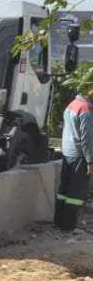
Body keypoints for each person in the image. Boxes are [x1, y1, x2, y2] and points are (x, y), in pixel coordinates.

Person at [56, 85, 93, 231]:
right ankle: (68, 226)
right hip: (80, 156)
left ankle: (58, 221)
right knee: (75, 194)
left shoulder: (72, 104)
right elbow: (87, 139)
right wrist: (90, 160)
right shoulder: (86, 110)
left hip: (68, 153)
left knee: (63, 190)